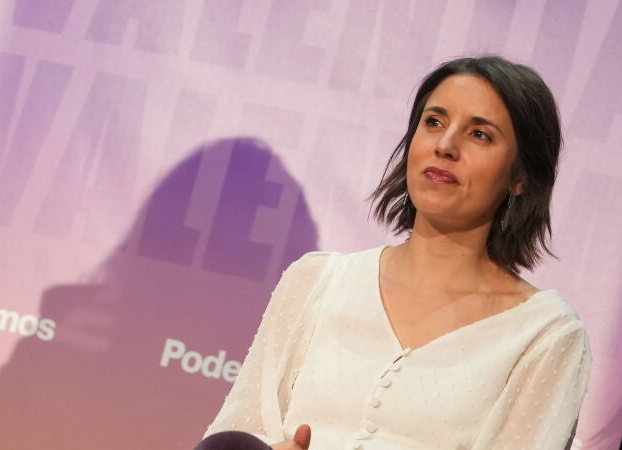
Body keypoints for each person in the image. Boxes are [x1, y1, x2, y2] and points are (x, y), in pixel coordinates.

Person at [197, 55, 591, 449]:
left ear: (520, 177)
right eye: (433, 122)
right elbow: (235, 436)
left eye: (479, 134)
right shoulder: (316, 282)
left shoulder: (544, 334)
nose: (445, 145)